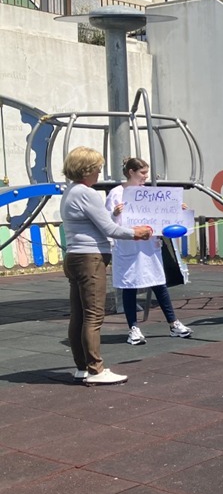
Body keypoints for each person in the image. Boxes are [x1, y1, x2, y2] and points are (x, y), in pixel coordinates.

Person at [60, 147, 153, 385]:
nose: (100, 172)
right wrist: (137, 233)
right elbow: (110, 229)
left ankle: (83, 367)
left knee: (79, 314)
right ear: (87, 169)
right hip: (90, 258)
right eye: (98, 168)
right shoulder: (87, 193)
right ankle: (96, 370)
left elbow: (102, 223)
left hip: (75, 256)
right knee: (94, 315)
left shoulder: (70, 191)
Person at [106, 157, 193, 345]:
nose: (146, 176)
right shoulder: (117, 193)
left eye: (146, 172)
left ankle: (173, 323)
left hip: (148, 247)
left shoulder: (149, 194)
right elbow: (106, 222)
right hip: (128, 247)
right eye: (142, 173)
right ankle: (133, 328)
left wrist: (179, 210)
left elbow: (164, 218)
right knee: (130, 286)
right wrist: (115, 213)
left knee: (158, 283)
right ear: (131, 172)